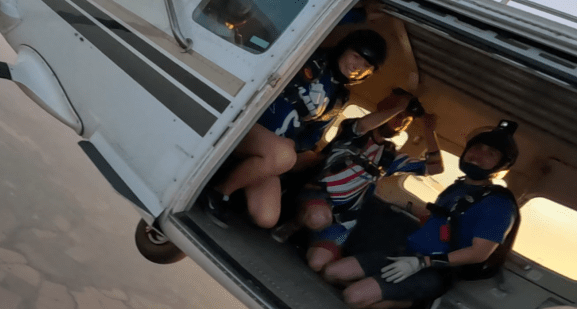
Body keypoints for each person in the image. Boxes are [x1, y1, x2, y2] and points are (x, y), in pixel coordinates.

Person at [324, 120, 521, 309]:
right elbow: (440, 220)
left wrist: (421, 263)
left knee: (353, 297)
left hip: (437, 271)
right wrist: (404, 205)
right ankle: (375, 289)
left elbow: (479, 254)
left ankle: (416, 304)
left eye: (491, 153)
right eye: (476, 147)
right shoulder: (457, 188)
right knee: (331, 273)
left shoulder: (499, 204)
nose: (479, 155)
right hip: (408, 254)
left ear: (501, 166)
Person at [205, 29, 388, 229]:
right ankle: (219, 191)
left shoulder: (339, 98)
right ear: (344, 48)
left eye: (367, 66)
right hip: (246, 127)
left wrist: (299, 146)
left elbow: (314, 135)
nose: (358, 67)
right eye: (356, 57)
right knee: (284, 155)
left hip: (274, 151)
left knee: (267, 218)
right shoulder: (309, 58)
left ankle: (236, 175)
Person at [288, 89, 444, 273]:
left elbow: (435, 168)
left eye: (405, 121)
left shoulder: (389, 155)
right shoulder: (353, 129)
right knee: (318, 218)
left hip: (344, 218)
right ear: (383, 109)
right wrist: (398, 107)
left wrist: (429, 132)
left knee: (317, 263)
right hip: (318, 196)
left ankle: (309, 241)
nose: (399, 121)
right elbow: (362, 126)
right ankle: (292, 225)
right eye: (397, 114)